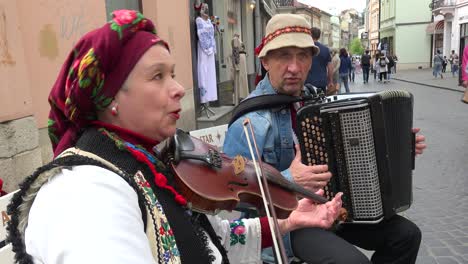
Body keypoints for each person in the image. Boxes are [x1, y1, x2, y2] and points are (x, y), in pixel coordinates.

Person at [7, 10, 343, 264]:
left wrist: (287, 222)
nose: (180, 89)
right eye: (157, 77)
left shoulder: (150, 161)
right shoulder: (84, 194)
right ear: (109, 98)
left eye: (174, 74)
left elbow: (214, 238)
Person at [224, 13, 427, 264]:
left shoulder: (314, 101)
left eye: (303, 56)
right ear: (265, 61)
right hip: (288, 222)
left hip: (329, 208)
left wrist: (395, 147)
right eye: (284, 55)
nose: (295, 67)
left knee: (406, 236)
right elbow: (231, 190)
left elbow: (348, 150)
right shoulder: (250, 120)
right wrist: (289, 179)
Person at [305, 27, 333, 95]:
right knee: (321, 102)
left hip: (308, 83)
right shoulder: (326, 49)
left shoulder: (306, 48)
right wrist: (330, 81)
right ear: (319, 36)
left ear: (310, 34)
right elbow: (330, 67)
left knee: (308, 103)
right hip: (322, 82)